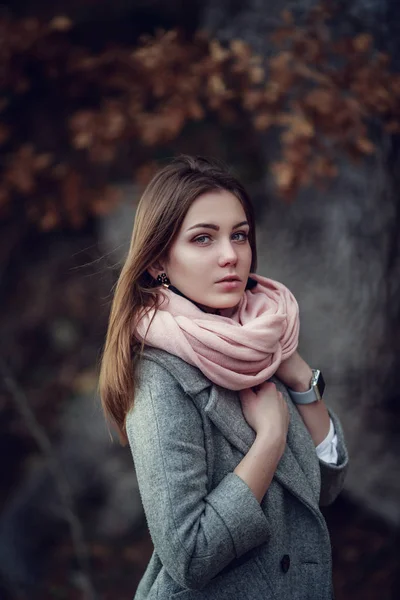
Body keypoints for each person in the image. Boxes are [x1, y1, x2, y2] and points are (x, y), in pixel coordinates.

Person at [99, 155, 348, 600]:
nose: (230, 255)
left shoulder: (259, 339)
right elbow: (190, 556)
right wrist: (270, 439)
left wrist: (299, 379)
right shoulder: (159, 379)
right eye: (203, 238)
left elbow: (325, 488)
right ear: (158, 261)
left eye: (239, 235)